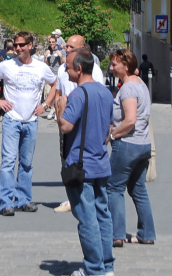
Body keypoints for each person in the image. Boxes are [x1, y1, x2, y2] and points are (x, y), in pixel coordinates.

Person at [0, 29, 56, 216]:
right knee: (8, 161)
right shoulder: (7, 65)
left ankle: (24, 199)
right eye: (15, 45)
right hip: (12, 119)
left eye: (22, 45)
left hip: (31, 120)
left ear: (30, 46)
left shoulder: (40, 67)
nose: (18, 48)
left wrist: (46, 105)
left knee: (26, 163)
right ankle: (6, 201)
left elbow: (56, 84)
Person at [58, 49, 115, 276]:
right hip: (101, 162)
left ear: (79, 69)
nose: (66, 71)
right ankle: (107, 266)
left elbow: (66, 126)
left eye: (68, 67)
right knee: (103, 215)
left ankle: (94, 269)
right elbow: (109, 131)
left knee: (87, 219)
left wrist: (60, 109)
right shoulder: (106, 92)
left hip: (81, 165)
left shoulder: (79, 95)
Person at [106, 48, 156, 247]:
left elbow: (130, 120)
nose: (111, 68)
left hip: (128, 144)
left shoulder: (128, 89)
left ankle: (116, 234)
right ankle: (147, 233)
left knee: (114, 188)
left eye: (114, 65)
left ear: (125, 66)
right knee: (138, 188)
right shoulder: (141, 83)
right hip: (143, 144)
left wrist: (112, 135)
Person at [54, 35, 105, 213]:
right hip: (66, 117)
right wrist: (58, 112)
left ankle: (82, 197)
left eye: (71, 47)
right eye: (66, 46)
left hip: (84, 121)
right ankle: (71, 194)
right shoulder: (62, 69)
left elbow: (98, 97)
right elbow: (58, 94)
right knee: (66, 157)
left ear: (82, 49)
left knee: (84, 159)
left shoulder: (95, 72)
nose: (66, 49)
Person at [43, 35, 65, 118]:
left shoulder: (61, 50)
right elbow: (46, 64)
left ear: (56, 42)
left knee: (57, 94)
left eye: (53, 42)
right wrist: (46, 56)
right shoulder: (48, 51)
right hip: (50, 74)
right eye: (50, 42)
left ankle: (57, 111)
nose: (51, 43)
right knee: (47, 93)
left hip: (58, 74)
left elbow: (64, 63)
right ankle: (52, 108)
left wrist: (60, 56)